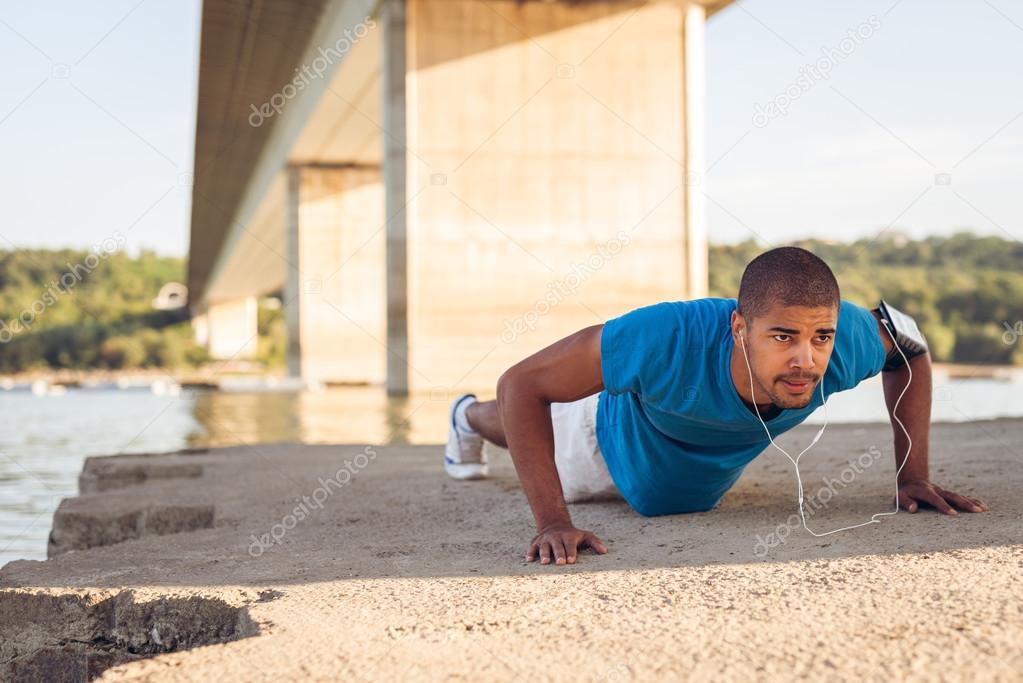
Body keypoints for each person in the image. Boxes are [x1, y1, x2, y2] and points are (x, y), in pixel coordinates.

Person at [443, 247, 988, 566]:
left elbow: (910, 346)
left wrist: (912, 475)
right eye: (781, 337)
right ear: (738, 328)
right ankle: (465, 416)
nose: (806, 360)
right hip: (603, 439)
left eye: (820, 336)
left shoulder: (843, 340)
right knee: (515, 420)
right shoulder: (666, 335)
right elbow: (522, 385)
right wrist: (553, 521)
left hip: (686, 470)